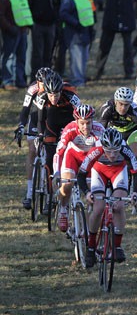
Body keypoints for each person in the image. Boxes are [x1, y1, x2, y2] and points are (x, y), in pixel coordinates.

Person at [77, 127, 137, 268]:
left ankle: (117, 246)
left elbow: (136, 173)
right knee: (98, 208)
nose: (112, 154)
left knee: (118, 206)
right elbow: (81, 175)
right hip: (99, 172)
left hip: (118, 172)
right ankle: (91, 247)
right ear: (103, 147)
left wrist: (135, 192)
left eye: (116, 151)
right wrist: (87, 193)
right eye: (109, 151)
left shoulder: (126, 150)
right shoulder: (96, 151)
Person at [54, 104, 105, 232]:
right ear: (76, 121)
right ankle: (64, 209)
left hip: (90, 159)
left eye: (88, 123)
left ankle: (86, 230)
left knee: (91, 195)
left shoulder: (99, 129)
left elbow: (103, 152)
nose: (85, 127)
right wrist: (56, 173)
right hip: (73, 156)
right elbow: (59, 153)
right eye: (82, 123)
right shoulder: (70, 129)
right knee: (67, 184)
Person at [15, 67, 54, 209]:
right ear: (37, 82)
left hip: (51, 119)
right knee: (32, 150)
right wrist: (21, 126)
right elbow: (25, 110)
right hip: (36, 118)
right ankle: (29, 192)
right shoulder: (33, 89)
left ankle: (51, 193)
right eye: (41, 83)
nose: (44, 86)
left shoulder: (55, 86)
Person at [33, 71, 80, 169]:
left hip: (68, 116)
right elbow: (41, 120)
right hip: (52, 117)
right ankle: (50, 180)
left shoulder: (70, 93)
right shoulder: (41, 96)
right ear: (46, 92)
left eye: (56, 95)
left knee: (69, 150)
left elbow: (80, 117)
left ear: (61, 91)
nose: (53, 98)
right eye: (50, 95)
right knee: (50, 156)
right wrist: (41, 134)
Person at [94, 0, 137, 81]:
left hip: (126, 15)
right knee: (104, 46)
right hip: (111, 15)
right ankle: (99, 70)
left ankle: (129, 71)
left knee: (128, 47)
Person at [59, 0, 95, 87]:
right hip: (74, 33)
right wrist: (76, 23)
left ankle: (81, 79)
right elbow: (63, 14)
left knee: (83, 58)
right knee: (77, 59)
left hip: (85, 32)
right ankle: (77, 81)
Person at [26, 0, 62, 83]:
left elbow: (59, 6)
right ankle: (34, 79)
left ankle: (47, 79)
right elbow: (29, 8)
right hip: (37, 25)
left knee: (48, 53)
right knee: (37, 54)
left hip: (51, 25)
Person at [0, 0, 33, 90]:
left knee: (21, 57)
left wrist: (27, 26)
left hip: (22, 30)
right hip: (10, 32)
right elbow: (1, 16)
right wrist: (10, 28)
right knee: (9, 57)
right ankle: (7, 81)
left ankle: (20, 81)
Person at [98, 86, 137, 161]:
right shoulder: (107, 108)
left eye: (126, 105)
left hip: (132, 132)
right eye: (121, 104)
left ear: (130, 103)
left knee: (136, 155)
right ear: (115, 101)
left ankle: (136, 171)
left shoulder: (134, 111)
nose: (123, 108)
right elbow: (101, 129)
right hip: (115, 131)